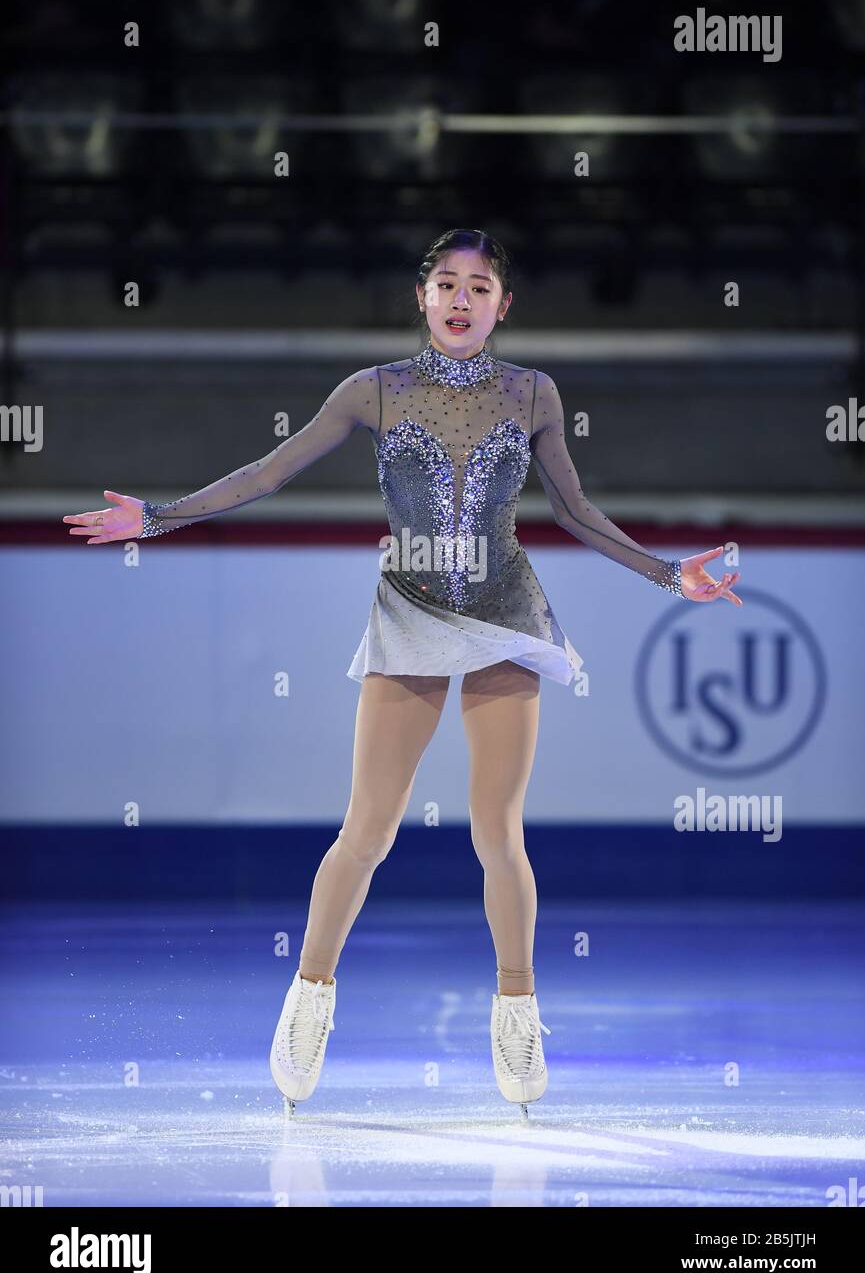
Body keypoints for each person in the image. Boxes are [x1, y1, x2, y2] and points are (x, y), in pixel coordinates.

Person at [63, 228, 741, 1120]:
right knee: (369, 829)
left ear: (503, 305)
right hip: (411, 610)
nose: (462, 299)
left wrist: (667, 574)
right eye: (447, 283)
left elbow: (575, 511)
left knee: (497, 831)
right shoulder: (373, 390)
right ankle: (309, 996)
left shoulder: (533, 393)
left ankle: (517, 1008)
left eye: (480, 286)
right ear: (422, 296)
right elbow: (268, 473)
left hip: (504, 611)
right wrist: (157, 517)